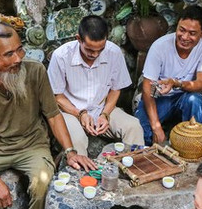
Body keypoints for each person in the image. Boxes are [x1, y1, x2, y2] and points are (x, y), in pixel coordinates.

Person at [0, 22, 97, 209]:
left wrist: (70, 151)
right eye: (8, 54)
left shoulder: (35, 71)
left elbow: (53, 115)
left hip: (32, 145)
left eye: (19, 49)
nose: (18, 59)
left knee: (43, 182)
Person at [48, 14, 144, 156]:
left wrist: (105, 114)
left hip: (101, 109)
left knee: (133, 126)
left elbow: (115, 89)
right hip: (70, 112)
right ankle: (82, 176)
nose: (95, 54)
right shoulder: (61, 56)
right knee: (77, 140)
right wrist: (80, 114)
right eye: (90, 50)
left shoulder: (114, 52)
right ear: (78, 39)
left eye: (100, 49)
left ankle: (135, 171)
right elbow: (57, 96)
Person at [135, 5, 202, 145]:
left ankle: (192, 145)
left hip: (185, 96)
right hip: (159, 98)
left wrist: (176, 83)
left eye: (192, 33)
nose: (184, 37)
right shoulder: (160, 46)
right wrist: (156, 127)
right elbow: (148, 88)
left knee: (194, 100)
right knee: (142, 134)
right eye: (181, 30)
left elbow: (200, 84)